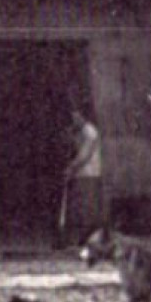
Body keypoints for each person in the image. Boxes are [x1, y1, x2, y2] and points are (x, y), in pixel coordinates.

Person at [56, 107, 108, 251]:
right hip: (82, 174)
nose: (73, 119)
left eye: (76, 115)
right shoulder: (79, 132)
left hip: (89, 173)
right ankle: (81, 239)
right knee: (81, 208)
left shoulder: (90, 133)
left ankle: (90, 240)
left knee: (88, 209)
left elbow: (84, 155)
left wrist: (71, 167)